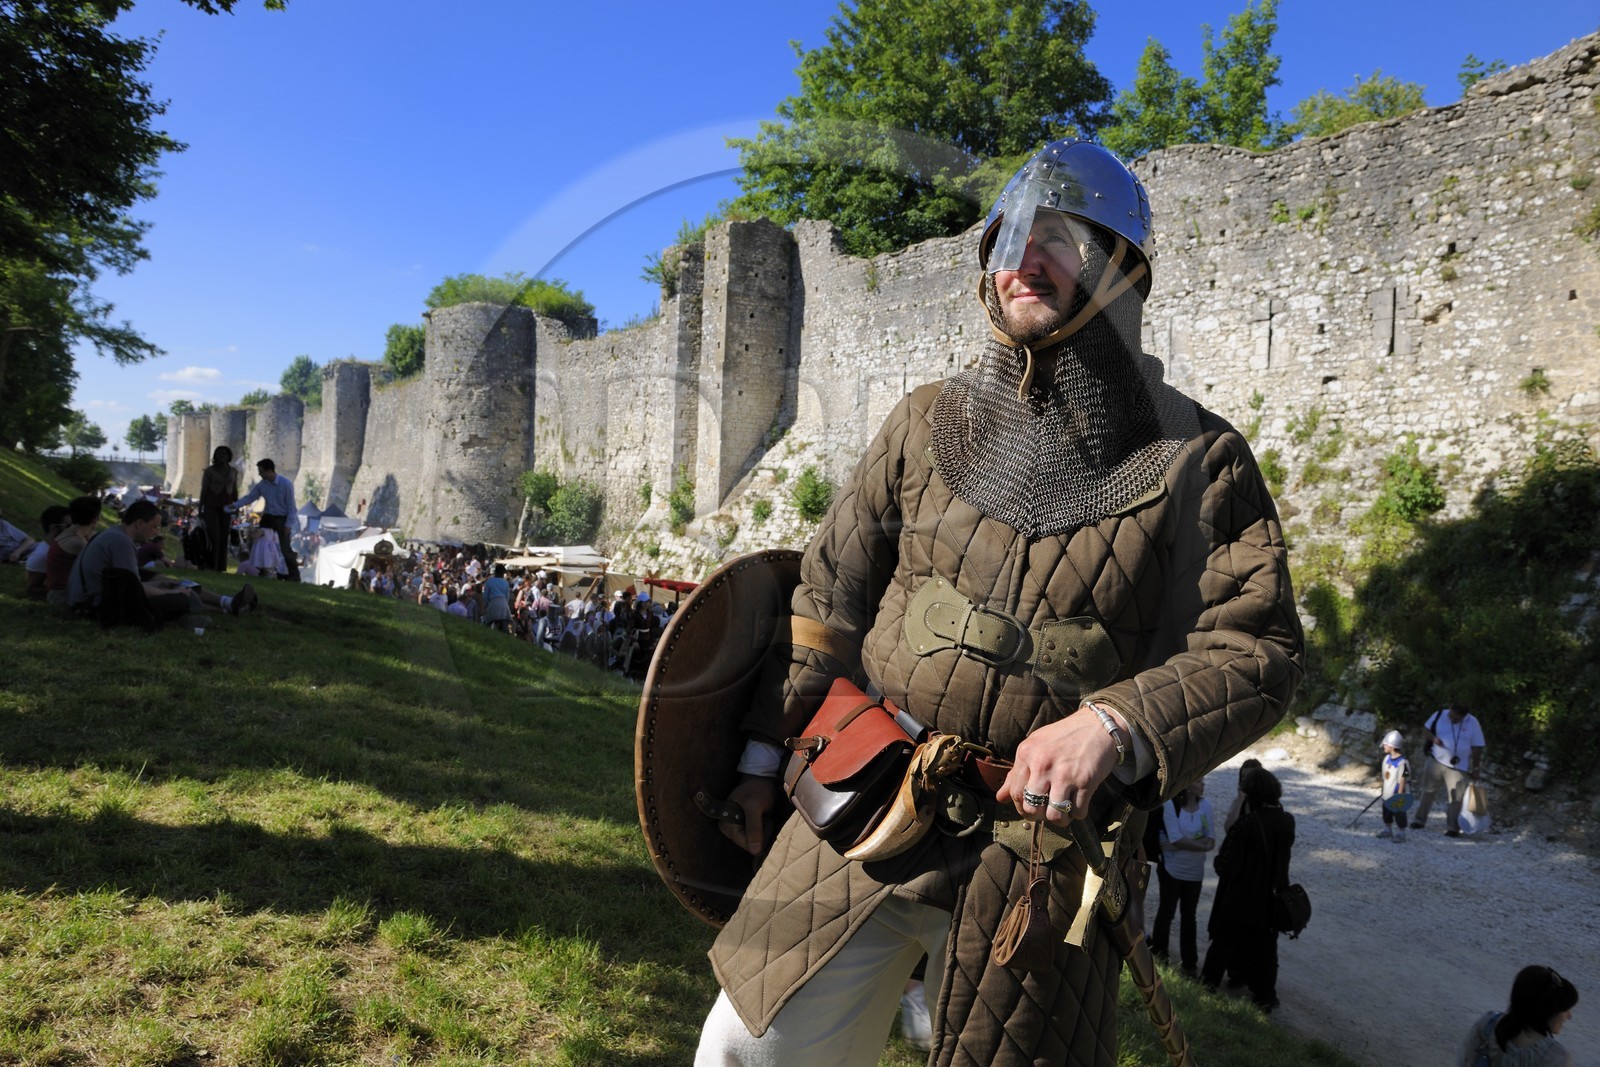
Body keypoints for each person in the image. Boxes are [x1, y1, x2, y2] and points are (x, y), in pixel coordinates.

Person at [692, 139, 1303, 1066]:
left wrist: (1114, 723)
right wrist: (757, 752)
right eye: (1008, 237)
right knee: (745, 1047)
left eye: (1054, 237)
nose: (1022, 259)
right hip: (868, 797)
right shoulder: (928, 420)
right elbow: (829, 599)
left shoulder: (1198, 460)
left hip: (1041, 860)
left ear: (1120, 267)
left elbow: (1254, 648)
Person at [66, 499, 257, 623]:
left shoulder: (115, 534)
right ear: (140, 524)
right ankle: (225, 608)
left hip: (94, 595)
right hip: (93, 605)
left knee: (172, 584)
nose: (156, 532)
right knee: (178, 597)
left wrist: (166, 584)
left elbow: (128, 582)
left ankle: (227, 603)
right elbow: (134, 589)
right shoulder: (122, 543)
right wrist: (165, 589)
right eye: (155, 527)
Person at [1200, 767, 1295, 1012]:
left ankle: (1207, 986)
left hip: (1241, 898)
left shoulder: (1247, 824)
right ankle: (1265, 997)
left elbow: (1225, 865)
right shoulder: (1287, 821)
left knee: (1222, 944)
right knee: (1266, 951)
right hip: (1271, 898)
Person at [1151, 778, 1214, 975]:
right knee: (1167, 912)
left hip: (1195, 872)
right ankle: (1160, 957)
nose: (1203, 785)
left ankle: (1190, 963)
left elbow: (1211, 839)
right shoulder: (1170, 804)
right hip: (1172, 869)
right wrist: (1200, 845)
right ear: (1187, 784)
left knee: (1189, 916)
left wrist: (1190, 844)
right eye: (1199, 781)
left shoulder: (1206, 806)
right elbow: (1176, 838)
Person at [1458, 965, 1578, 1067]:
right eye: (1565, 1009)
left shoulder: (1488, 1024)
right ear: (1548, 1010)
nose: (1569, 1016)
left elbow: (1464, 1062)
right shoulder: (1558, 1058)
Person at [1412, 704, 1485, 838]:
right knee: (1427, 791)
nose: (1452, 720)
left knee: (1456, 798)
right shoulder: (1440, 714)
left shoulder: (1473, 722)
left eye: (1457, 719)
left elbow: (1477, 747)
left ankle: (1452, 827)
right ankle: (1419, 820)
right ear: (1450, 710)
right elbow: (1426, 730)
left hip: (1459, 767)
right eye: (1451, 716)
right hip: (1435, 760)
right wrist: (1433, 738)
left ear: (1464, 716)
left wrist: (1475, 768)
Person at [227, 458, 300, 582]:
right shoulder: (262, 485)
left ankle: (295, 576)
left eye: (261, 471)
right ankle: (260, 570)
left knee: (285, 549)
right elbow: (250, 497)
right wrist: (235, 505)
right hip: (268, 517)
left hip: (282, 518)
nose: (259, 474)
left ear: (269, 471)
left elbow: (291, 507)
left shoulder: (286, 484)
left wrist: (288, 525)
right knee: (259, 543)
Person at [198, 445, 239, 572]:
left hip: (226, 506)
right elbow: (204, 489)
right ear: (215, 456)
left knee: (224, 537)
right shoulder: (209, 471)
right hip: (211, 505)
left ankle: (222, 566)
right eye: (219, 453)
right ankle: (212, 565)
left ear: (228, 456)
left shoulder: (233, 471)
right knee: (214, 535)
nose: (222, 456)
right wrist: (200, 507)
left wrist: (236, 505)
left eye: (224, 454)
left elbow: (234, 489)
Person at [24, 506, 70, 599]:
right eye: (68, 526)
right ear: (53, 528)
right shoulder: (43, 555)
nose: (74, 530)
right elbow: (31, 589)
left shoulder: (53, 548)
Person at [1375, 730, 1411, 842]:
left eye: (1385, 745)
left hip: (1397, 794)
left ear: (1392, 746)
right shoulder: (1386, 759)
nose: (1384, 746)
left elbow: (1404, 778)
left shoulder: (1402, 762)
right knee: (1386, 811)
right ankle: (1387, 829)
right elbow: (1385, 776)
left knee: (1399, 812)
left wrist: (1400, 793)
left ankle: (1401, 832)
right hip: (1387, 792)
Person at [481, 564, 512, 632]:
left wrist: (487, 605)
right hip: (503, 603)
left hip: (493, 602)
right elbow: (507, 596)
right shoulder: (505, 583)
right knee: (504, 625)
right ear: (503, 573)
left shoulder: (490, 581)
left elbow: (485, 596)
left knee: (488, 623)